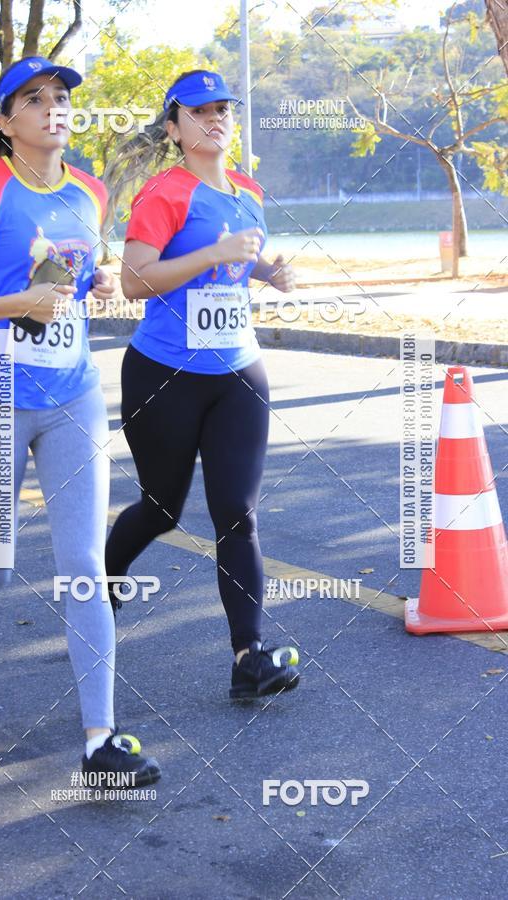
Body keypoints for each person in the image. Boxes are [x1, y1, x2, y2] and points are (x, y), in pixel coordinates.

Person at [0, 56, 160, 784]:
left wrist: (101, 281)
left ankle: (100, 742)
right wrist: (13, 305)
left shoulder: (89, 191)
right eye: (34, 99)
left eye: (61, 98)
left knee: (84, 565)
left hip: (73, 395)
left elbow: (79, 277)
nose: (54, 108)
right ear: (5, 122)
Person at [103, 70, 301, 699]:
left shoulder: (246, 189)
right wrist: (213, 257)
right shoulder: (165, 192)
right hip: (165, 374)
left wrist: (269, 271)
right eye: (200, 111)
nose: (216, 119)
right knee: (162, 507)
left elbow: (241, 261)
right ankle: (101, 582)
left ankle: (250, 656)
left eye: (224, 109)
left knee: (237, 516)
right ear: (174, 127)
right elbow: (135, 280)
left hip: (238, 373)